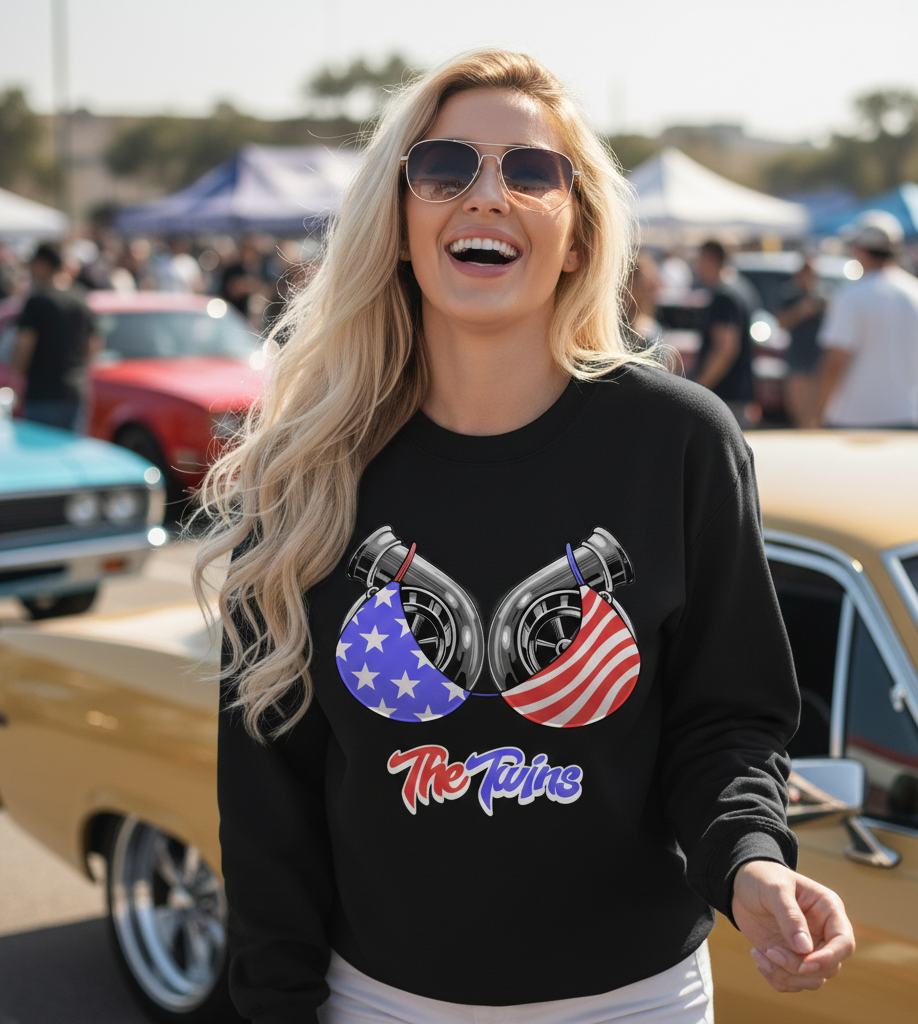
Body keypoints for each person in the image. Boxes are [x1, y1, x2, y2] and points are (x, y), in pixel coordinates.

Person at [195, 50, 854, 1024]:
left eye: (531, 171)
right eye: (445, 167)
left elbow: (726, 719)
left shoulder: (678, 440)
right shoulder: (303, 465)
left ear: (579, 235)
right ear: (401, 221)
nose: (486, 194)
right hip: (379, 1002)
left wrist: (750, 860)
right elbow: (266, 795)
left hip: (636, 1001)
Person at [805, 211, 918, 428]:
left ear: (860, 250)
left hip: (856, 420)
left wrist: (814, 415)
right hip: (908, 417)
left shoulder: (852, 296)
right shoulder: (914, 292)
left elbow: (834, 362)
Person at [10, 242, 101, 431]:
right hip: (75, 391)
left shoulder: (37, 302)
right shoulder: (80, 298)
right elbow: (94, 344)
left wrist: (16, 371)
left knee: (42, 455)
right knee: (69, 454)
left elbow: (24, 345)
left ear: (43, 264)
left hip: (43, 394)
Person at [692, 240, 758, 427]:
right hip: (737, 395)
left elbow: (725, 348)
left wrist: (699, 389)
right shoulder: (740, 288)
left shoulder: (724, 296)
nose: (697, 266)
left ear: (711, 260)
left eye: (700, 260)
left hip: (726, 398)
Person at [777, 258, 827, 427]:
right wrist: (801, 311)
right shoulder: (789, 296)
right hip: (798, 358)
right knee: (797, 412)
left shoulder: (824, 296)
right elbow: (780, 323)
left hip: (818, 360)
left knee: (815, 412)